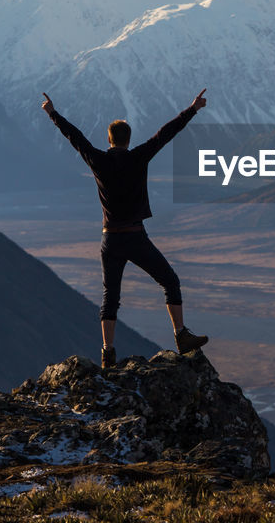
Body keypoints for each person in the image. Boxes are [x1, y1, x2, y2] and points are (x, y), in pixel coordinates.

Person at [42, 89, 210, 367]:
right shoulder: (138, 157)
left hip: (109, 240)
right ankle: (181, 336)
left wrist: (52, 114)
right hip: (135, 237)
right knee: (170, 282)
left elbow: (75, 137)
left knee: (111, 297)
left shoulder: (97, 159)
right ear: (128, 140)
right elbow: (165, 134)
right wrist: (192, 109)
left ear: (109, 140)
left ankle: (107, 352)